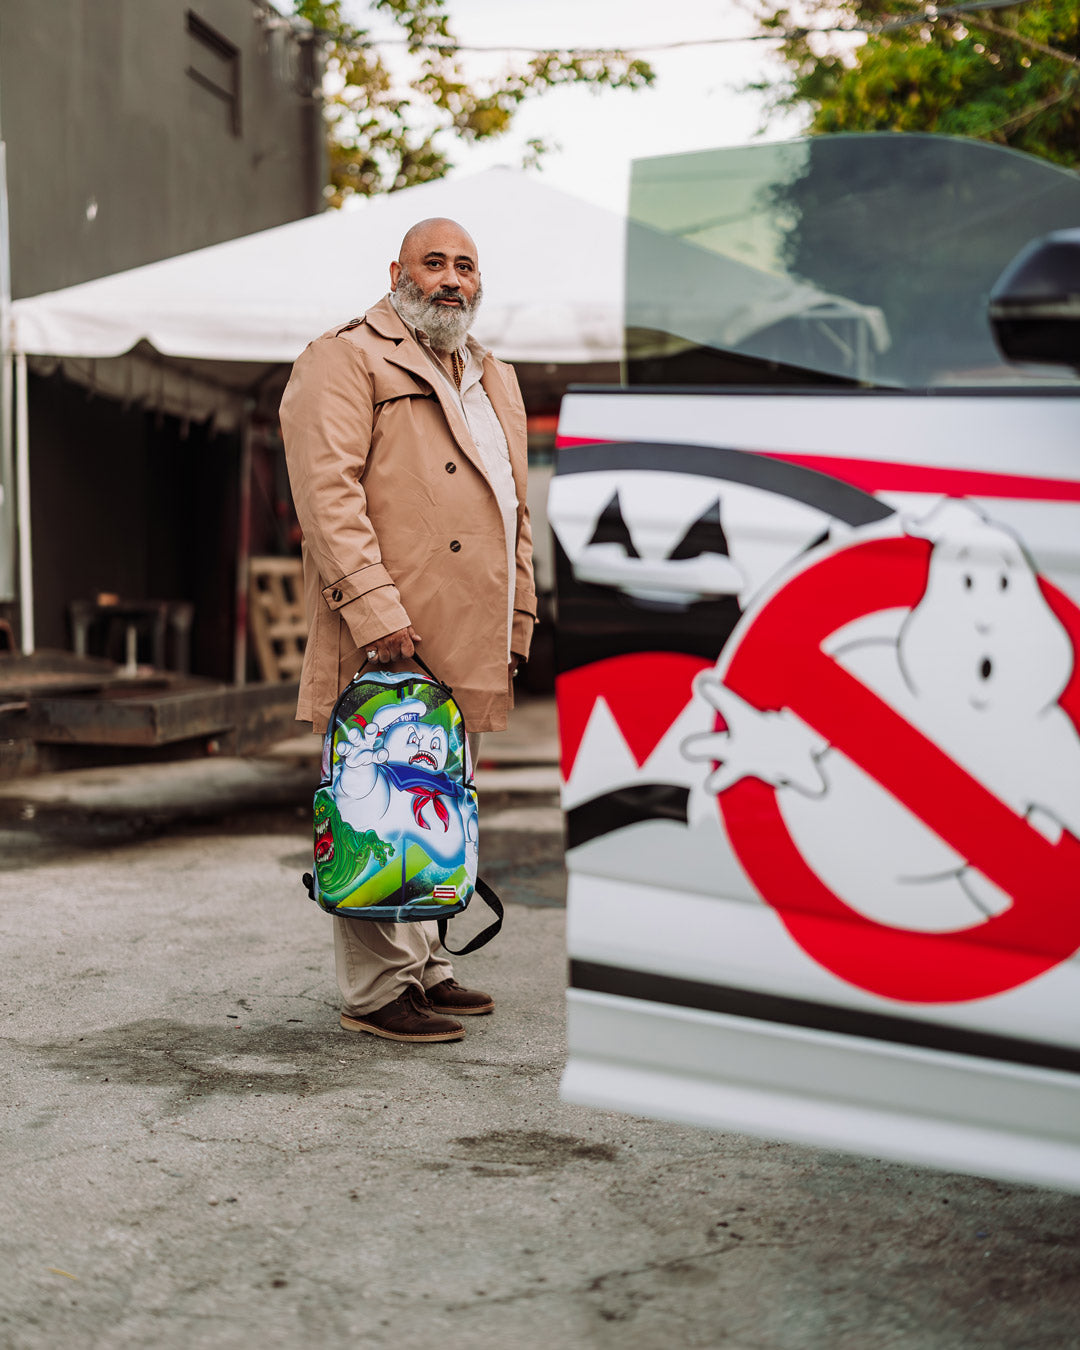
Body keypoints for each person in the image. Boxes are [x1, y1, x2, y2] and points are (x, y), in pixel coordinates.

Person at [279, 217, 536, 1044]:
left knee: (435, 800)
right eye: (435, 262)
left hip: (463, 628)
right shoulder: (343, 357)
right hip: (387, 625)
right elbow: (328, 497)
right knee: (373, 798)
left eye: (466, 263)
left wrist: (520, 614)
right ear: (399, 272)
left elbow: (515, 510)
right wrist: (377, 610)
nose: (452, 278)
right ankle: (376, 989)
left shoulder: (494, 374)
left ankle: (426, 965)